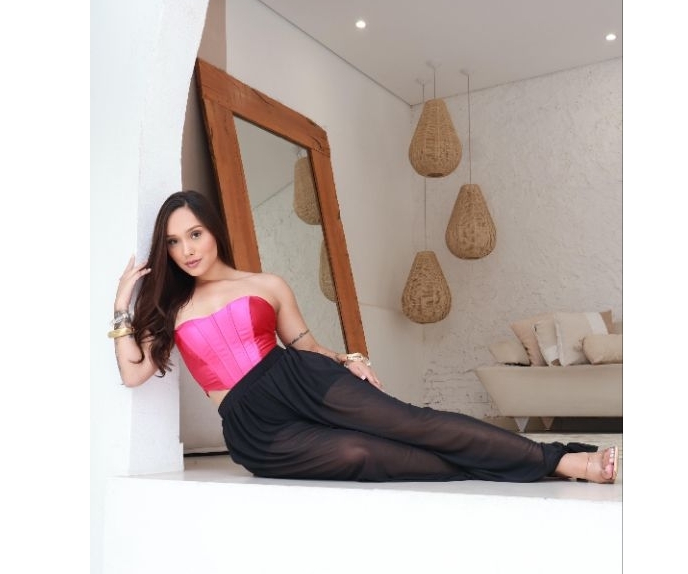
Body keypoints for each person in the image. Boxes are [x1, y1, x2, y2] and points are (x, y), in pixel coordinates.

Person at [111, 190, 619, 485]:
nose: (186, 250)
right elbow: (134, 373)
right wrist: (121, 307)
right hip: (253, 426)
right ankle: (533, 464)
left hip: (299, 380)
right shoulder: (169, 308)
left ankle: (565, 460)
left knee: (415, 424)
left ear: (214, 231)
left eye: (195, 234)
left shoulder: (266, 285)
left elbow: (305, 345)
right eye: (173, 241)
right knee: (363, 455)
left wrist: (347, 358)